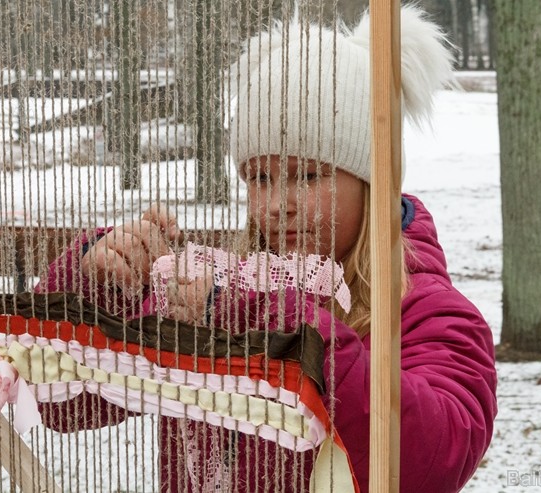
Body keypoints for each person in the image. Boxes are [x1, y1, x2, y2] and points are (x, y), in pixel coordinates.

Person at [36, 6, 497, 492]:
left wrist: (282, 325)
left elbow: (434, 460)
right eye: (259, 177)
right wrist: (102, 284)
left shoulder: (431, 313)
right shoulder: (217, 296)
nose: (278, 205)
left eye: (307, 174)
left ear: (374, 182)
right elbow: (60, 404)